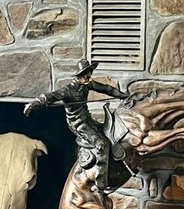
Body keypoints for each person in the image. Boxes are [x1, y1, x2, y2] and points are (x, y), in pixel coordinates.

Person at [23, 59, 128, 193]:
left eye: (90, 75)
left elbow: (106, 89)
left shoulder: (87, 84)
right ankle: (101, 182)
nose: (89, 79)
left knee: (109, 134)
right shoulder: (68, 90)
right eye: (87, 76)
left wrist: (123, 96)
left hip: (88, 120)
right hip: (78, 124)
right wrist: (33, 104)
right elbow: (50, 97)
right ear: (80, 76)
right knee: (102, 144)